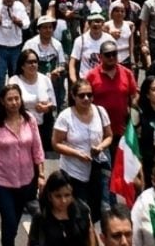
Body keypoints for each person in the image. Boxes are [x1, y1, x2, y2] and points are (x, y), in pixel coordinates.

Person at [0, 82, 45, 246]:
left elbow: (37, 149)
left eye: (17, 98)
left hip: (27, 181)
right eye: (10, 99)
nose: (14, 102)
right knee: (9, 220)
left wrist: (42, 175)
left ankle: (7, 239)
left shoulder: (29, 120)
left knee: (13, 223)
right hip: (2, 182)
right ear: (2, 101)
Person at [54, 80, 114, 221]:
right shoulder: (65, 116)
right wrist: (77, 154)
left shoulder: (100, 112)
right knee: (78, 213)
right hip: (73, 172)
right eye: (82, 95)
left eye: (89, 95)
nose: (86, 99)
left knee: (95, 212)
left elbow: (109, 136)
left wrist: (100, 147)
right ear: (73, 96)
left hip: (95, 171)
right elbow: (56, 144)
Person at [28, 169, 96, 246]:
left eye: (67, 195)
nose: (63, 201)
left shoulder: (82, 211)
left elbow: (90, 237)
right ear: (50, 196)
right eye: (58, 196)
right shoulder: (41, 217)